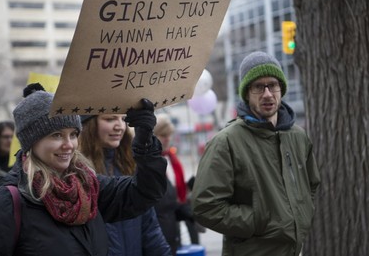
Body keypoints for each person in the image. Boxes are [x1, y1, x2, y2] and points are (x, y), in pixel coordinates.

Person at [0, 83, 167, 256]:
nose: (69, 145)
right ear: (32, 141)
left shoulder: (88, 187)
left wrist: (145, 144)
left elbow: (145, 192)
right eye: (57, 135)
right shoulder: (9, 201)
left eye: (73, 134)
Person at [191, 51, 321, 256]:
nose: (268, 94)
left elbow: (311, 184)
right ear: (246, 93)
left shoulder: (298, 136)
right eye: (258, 87)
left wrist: (301, 213)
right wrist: (260, 220)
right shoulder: (226, 142)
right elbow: (205, 207)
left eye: (273, 85)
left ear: (281, 88)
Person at [79, 113, 171, 256]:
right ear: (88, 124)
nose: (119, 126)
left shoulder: (131, 166)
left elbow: (150, 228)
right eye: (110, 119)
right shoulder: (78, 174)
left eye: (123, 119)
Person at [153, 113, 196, 255]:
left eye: (169, 135)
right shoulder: (151, 162)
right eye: (162, 135)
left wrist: (188, 186)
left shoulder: (171, 158)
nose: (167, 139)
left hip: (174, 218)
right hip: (160, 225)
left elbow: (175, 188)